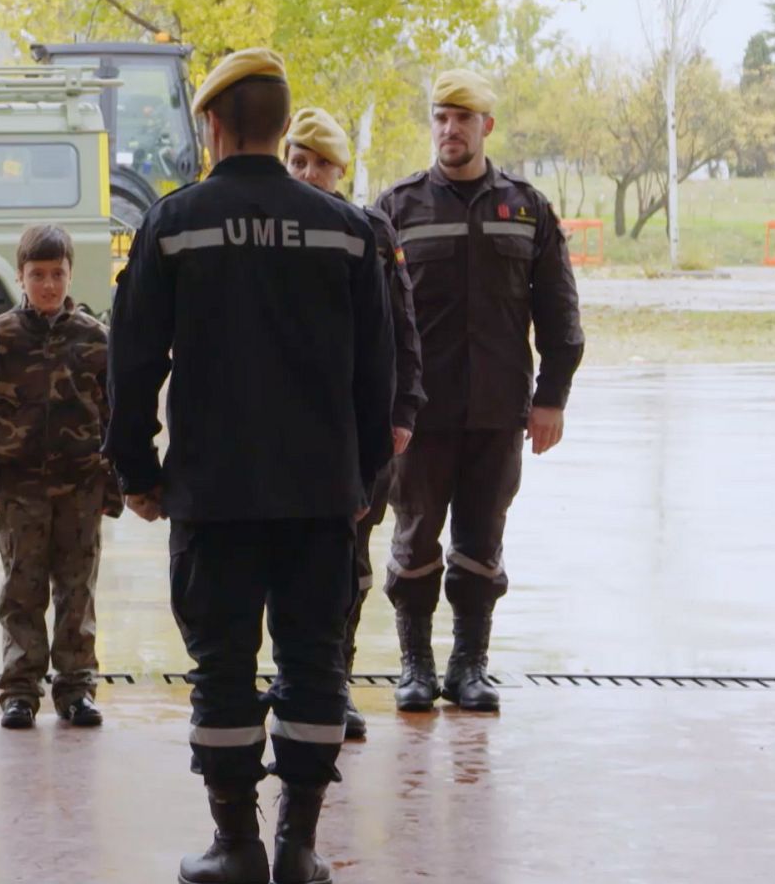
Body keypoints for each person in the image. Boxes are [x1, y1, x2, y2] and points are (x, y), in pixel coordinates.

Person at [105, 48, 394, 884]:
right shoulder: (347, 229)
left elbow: (133, 362)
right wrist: (361, 482)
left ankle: (235, 845)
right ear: (277, 124)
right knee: (315, 664)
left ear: (215, 123)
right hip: (319, 496)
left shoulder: (176, 222)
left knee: (223, 666)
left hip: (214, 493)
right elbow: (378, 377)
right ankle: (300, 847)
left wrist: (137, 470)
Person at [374, 69, 584, 712]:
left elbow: (560, 314)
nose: (450, 129)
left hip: (498, 410)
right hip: (418, 414)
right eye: (441, 116)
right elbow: (370, 320)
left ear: (486, 127)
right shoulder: (396, 208)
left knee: (481, 542)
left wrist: (551, 399)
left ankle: (470, 666)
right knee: (414, 540)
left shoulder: (526, 208)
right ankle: (415, 665)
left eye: (463, 118)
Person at [284, 107, 425, 740]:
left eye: (320, 165)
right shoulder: (268, 223)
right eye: (298, 161)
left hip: (351, 430)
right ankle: (292, 680)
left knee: (349, 565)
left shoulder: (370, 230)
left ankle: (334, 684)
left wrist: (401, 412)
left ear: (341, 171)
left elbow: (400, 329)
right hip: (283, 428)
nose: (308, 174)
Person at [0, 223, 123, 731]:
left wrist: (111, 487)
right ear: (19, 276)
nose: (48, 285)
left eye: (57, 274)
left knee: (77, 590)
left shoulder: (96, 340)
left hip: (81, 487)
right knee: (22, 590)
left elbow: (118, 415)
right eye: (37, 275)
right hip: (20, 488)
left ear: (71, 274)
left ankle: (75, 688)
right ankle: (20, 690)